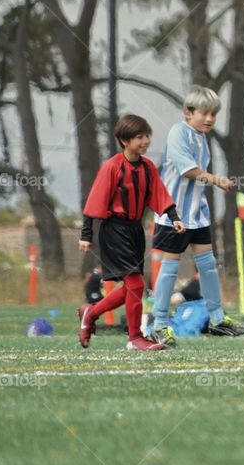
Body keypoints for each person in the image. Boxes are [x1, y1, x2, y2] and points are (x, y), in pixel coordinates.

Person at [148, 86, 244, 348]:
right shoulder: (178, 132)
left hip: (197, 213)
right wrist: (217, 179)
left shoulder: (202, 138)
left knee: (207, 264)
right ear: (188, 113)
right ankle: (158, 324)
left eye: (213, 114)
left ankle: (217, 318)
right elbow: (186, 170)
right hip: (174, 213)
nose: (209, 119)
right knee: (171, 267)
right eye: (204, 113)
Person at [77, 114, 184, 351]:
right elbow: (93, 202)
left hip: (135, 230)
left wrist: (174, 218)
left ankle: (90, 313)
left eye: (147, 136)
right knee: (135, 284)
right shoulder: (112, 167)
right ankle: (135, 337)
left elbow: (160, 193)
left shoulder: (147, 167)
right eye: (139, 137)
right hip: (113, 230)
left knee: (132, 287)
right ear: (124, 140)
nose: (145, 141)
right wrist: (86, 235)